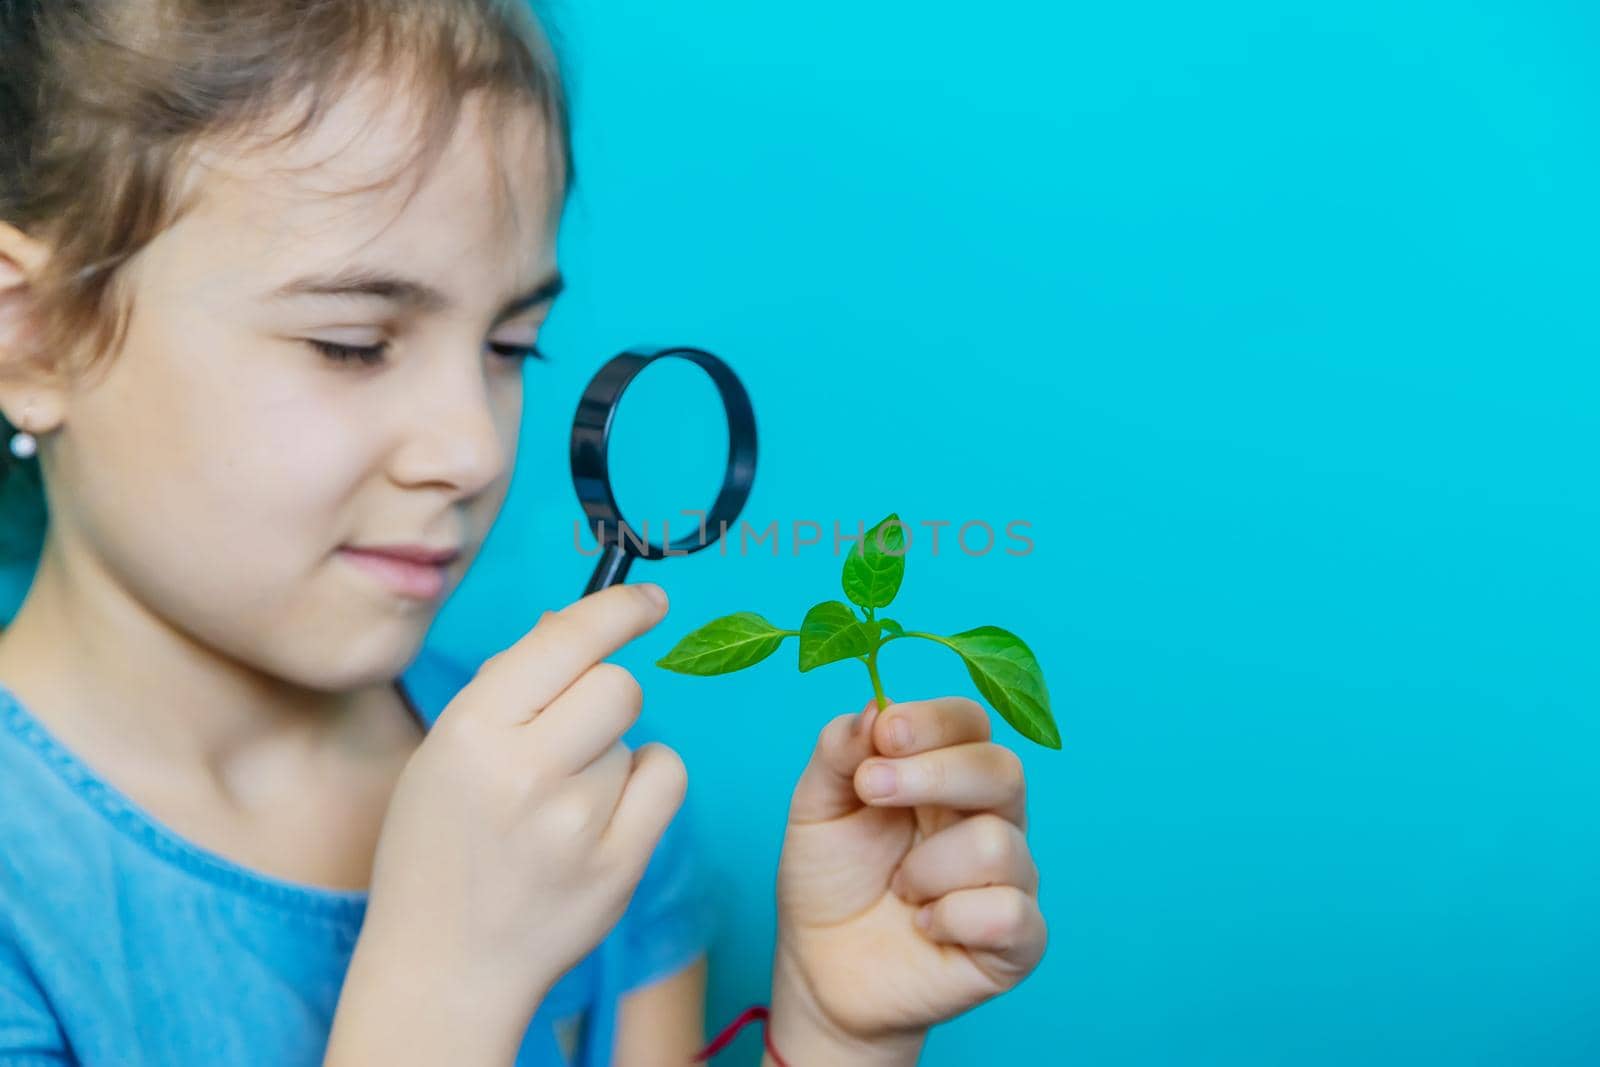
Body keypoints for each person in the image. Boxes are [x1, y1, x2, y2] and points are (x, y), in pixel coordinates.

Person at [0, 1, 1048, 1064]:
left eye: (511, 346)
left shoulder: (583, 807)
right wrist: (444, 985)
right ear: (30, 339)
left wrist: (834, 1039)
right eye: (352, 342)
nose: (474, 445)